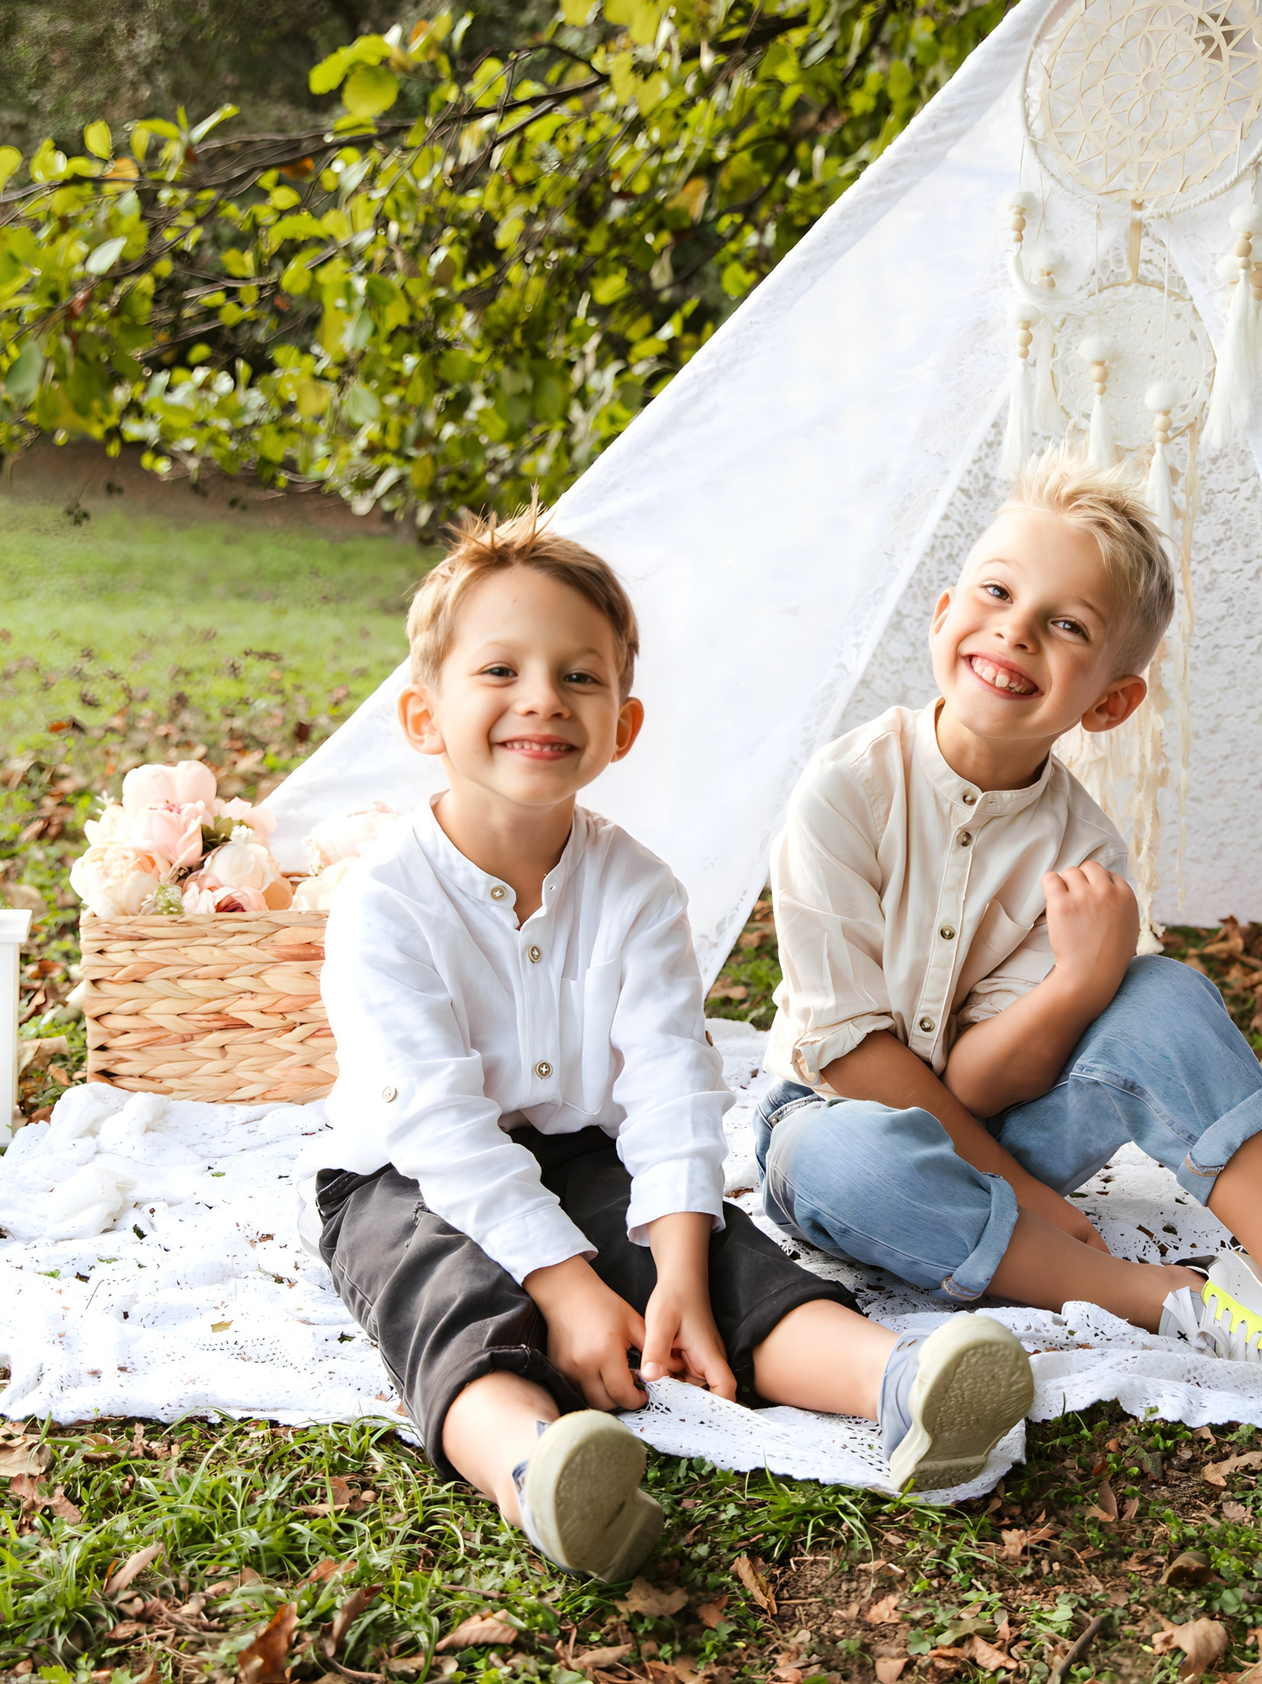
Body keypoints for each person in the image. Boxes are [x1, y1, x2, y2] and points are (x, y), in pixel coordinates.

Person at [298, 513, 1033, 1582]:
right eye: (500, 668)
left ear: (622, 725)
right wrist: (561, 1284)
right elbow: (440, 1124)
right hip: (402, 1173)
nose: (544, 696)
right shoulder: (385, 902)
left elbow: (672, 1086)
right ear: (423, 715)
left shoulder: (635, 886)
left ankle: (905, 1380)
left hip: (581, 1149)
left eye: (579, 676)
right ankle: (537, 1468)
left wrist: (676, 1260)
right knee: (446, 1289)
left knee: (728, 1260)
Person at [757, 452, 1262, 1386]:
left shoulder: (1083, 851)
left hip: (994, 1125)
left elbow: (976, 1084)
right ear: (944, 616)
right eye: (997, 593)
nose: (1015, 632)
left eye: (1065, 625)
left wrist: (1084, 984)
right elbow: (852, 1057)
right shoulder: (845, 790)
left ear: (1110, 701)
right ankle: (1170, 1297)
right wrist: (1020, 1193)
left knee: (1161, 993)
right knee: (839, 1160)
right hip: (832, 1120)